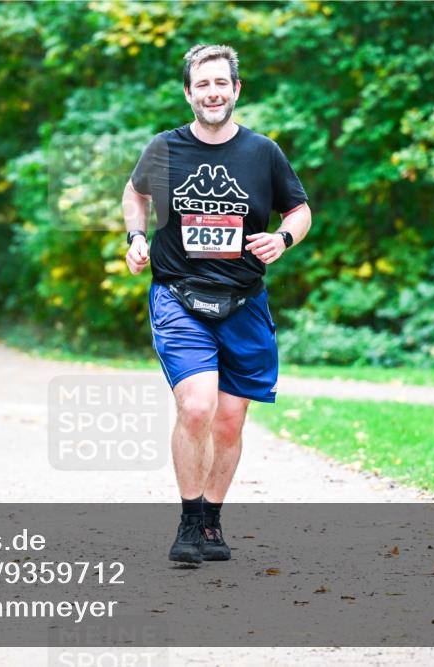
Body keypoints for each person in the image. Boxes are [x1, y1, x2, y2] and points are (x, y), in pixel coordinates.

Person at [123, 44, 312, 564]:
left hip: (244, 301)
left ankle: (211, 522)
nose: (212, 92)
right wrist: (136, 238)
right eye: (202, 84)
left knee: (229, 420)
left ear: (236, 89)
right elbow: (135, 194)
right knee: (198, 405)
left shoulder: (263, 152)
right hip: (179, 295)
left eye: (221, 83)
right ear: (189, 93)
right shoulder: (164, 148)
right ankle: (188, 523)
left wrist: (283, 239)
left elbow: (299, 209)